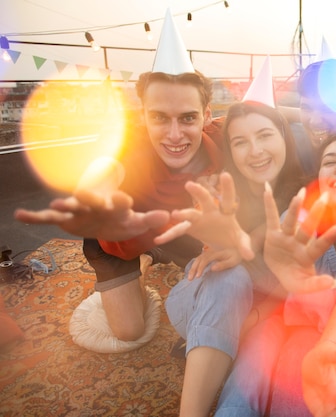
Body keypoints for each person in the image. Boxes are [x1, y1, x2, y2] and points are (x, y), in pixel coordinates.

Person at [12, 9, 247, 344]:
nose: (175, 134)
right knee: (129, 332)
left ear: (207, 115)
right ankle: (141, 262)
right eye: (160, 118)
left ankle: (154, 254)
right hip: (119, 241)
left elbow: (260, 113)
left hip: (176, 230)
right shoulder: (126, 148)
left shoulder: (221, 139)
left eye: (188, 118)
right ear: (143, 116)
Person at [213, 130, 336, 417]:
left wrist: (327, 344)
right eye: (329, 162)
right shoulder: (299, 226)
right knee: (296, 361)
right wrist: (240, 250)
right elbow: (270, 252)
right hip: (304, 335)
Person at [161, 61, 309, 417]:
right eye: (240, 142)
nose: (254, 151)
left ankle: (218, 352)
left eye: (265, 135)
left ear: (284, 137)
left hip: (266, 321)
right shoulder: (224, 192)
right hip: (203, 304)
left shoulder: (308, 196)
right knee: (229, 276)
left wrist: (249, 245)